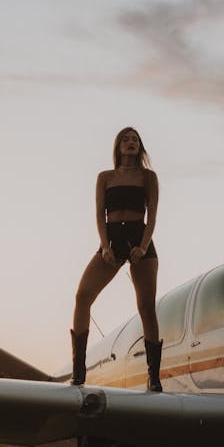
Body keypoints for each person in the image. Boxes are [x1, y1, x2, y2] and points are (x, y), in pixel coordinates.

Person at [71, 127, 162, 391]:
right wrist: (104, 246)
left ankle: (153, 377)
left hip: (139, 238)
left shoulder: (148, 177)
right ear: (118, 146)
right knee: (82, 296)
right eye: (126, 139)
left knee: (146, 306)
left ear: (140, 147)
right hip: (111, 239)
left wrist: (143, 246)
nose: (130, 143)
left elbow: (153, 215)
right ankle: (78, 372)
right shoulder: (105, 177)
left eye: (135, 140)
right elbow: (99, 215)